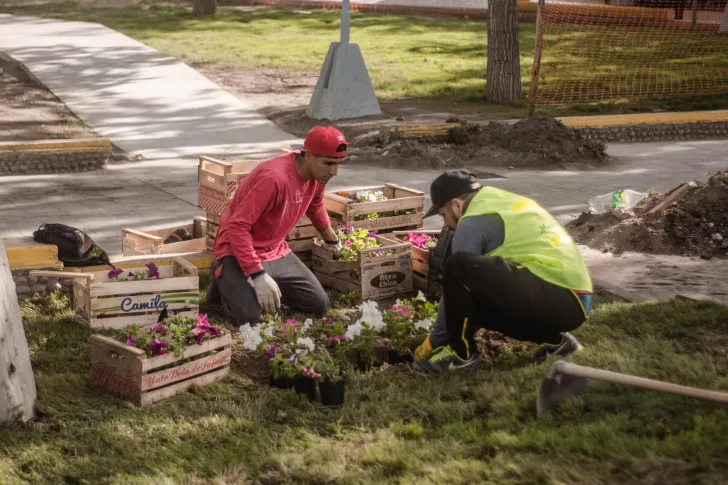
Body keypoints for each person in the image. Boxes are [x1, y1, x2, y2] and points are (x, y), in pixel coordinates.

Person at [413, 169, 593, 372]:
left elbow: (454, 290)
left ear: (457, 204)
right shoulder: (500, 200)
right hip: (575, 298)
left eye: (443, 215)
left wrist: (431, 344)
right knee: (474, 302)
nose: (445, 223)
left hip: (560, 293)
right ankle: (560, 342)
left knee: (457, 266)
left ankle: (463, 358)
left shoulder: (472, 222)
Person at [206, 126, 347, 325]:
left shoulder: (317, 175)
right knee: (248, 318)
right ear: (307, 156)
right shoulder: (274, 178)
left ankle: (254, 282)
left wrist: (331, 239)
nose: (334, 171)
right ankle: (222, 273)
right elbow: (237, 226)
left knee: (319, 305)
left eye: (339, 163)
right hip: (236, 249)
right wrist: (258, 274)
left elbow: (315, 205)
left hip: (275, 250)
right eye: (329, 163)